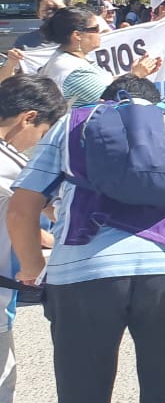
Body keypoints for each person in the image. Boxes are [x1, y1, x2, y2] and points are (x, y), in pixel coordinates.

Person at [8, 74, 165, 403]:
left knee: (83, 391)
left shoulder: (73, 124)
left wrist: (31, 268)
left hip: (83, 274)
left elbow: (21, 210)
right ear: (157, 105)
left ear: (103, 103)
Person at [0, 75, 65, 402]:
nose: (39, 143)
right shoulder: (10, 165)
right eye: (42, 133)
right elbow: (31, 211)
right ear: (28, 118)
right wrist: (33, 266)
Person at [33, 7, 160, 104]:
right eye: (95, 29)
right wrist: (136, 76)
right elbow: (115, 100)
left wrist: (133, 73)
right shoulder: (73, 71)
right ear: (77, 35)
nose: (101, 33)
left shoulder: (74, 59)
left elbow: (107, 83)